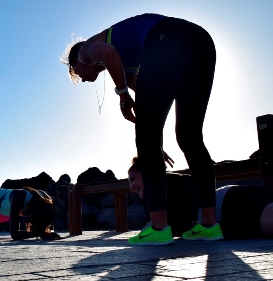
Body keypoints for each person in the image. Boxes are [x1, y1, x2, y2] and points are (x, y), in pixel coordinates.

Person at [61, 13, 221, 245]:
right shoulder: (128, 65)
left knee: (148, 139)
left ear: (77, 61)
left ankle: (158, 229)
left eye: (75, 72)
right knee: (189, 136)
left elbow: (108, 54)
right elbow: (150, 99)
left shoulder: (86, 51)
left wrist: (123, 96)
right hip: (200, 41)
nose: (82, 78)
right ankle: (209, 226)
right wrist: (154, 146)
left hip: (166, 38)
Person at [128, 157, 273, 240]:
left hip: (226, 206)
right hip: (230, 196)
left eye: (133, 179)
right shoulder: (172, 181)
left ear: (146, 172)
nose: (131, 186)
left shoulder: (157, 190)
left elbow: (169, 229)